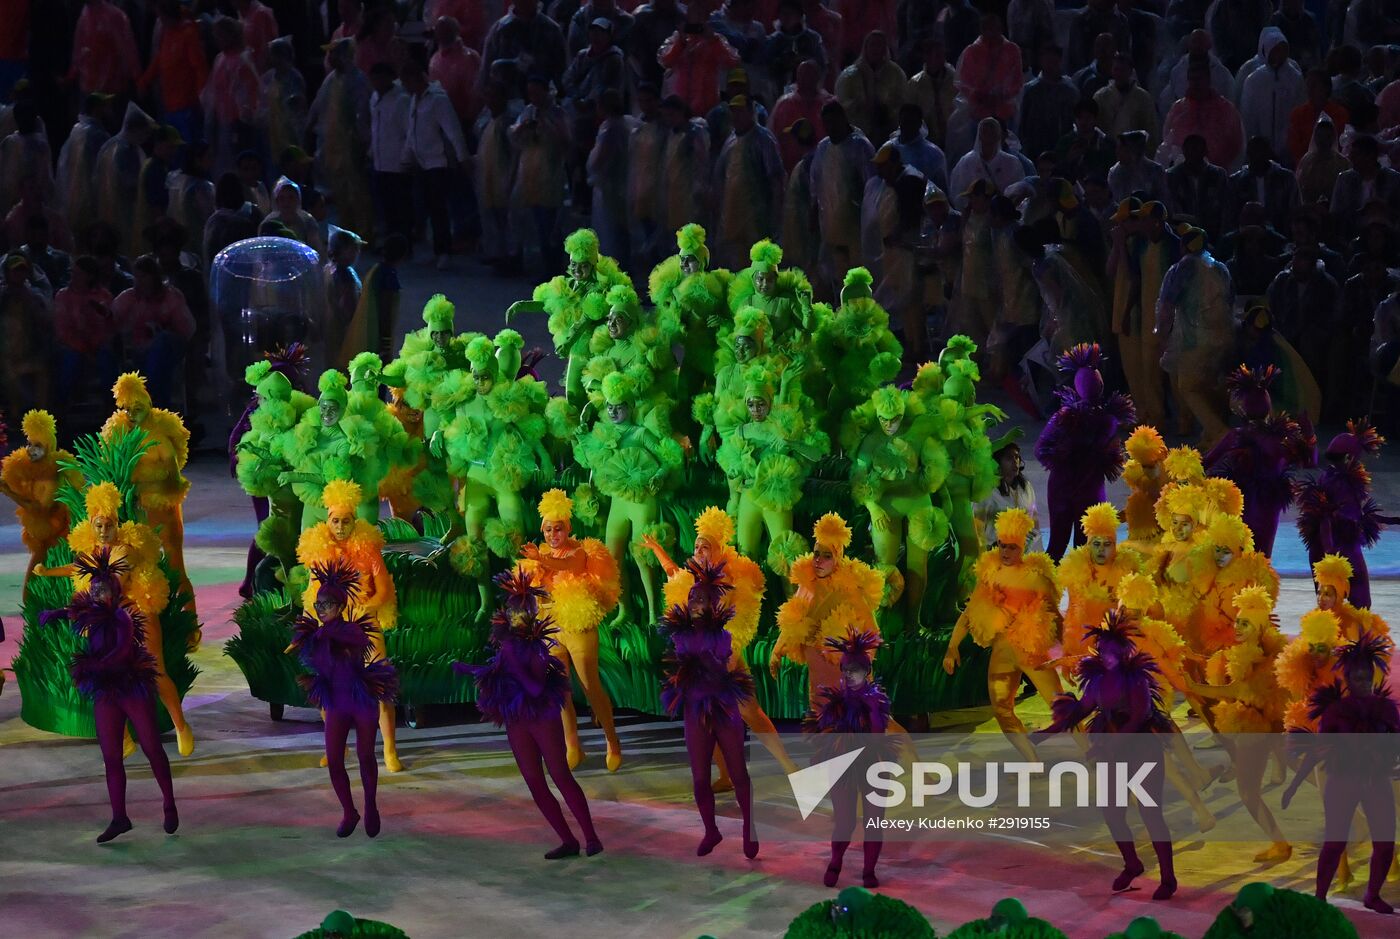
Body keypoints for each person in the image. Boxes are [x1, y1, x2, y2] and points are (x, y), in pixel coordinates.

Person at [456, 570, 603, 859]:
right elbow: (499, 672)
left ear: (532, 614)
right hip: (517, 719)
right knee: (534, 782)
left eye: (521, 611)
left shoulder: (537, 648)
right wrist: (470, 669)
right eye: (512, 611)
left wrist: (514, 661)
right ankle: (568, 840)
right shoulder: (507, 645)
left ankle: (591, 837)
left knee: (560, 775)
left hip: (542, 716)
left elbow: (535, 688)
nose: (515, 616)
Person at [40, 549, 179, 844]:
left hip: (131, 687)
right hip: (106, 690)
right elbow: (72, 611)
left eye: (102, 591)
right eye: (94, 591)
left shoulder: (122, 617)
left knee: (152, 747)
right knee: (111, 756)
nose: (96, 596)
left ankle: (168, 803)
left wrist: (97, 665)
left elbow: (121, 651)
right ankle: (119, 817)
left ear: (114, 593)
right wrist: (54, 614)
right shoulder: (90, 612)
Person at [1038, 609, 1178, 900]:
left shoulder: (1136, 679)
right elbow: (1081, 709)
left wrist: (1112, 743)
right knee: (1112, 812)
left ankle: (1168, 878)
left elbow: (1140, 715)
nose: (1107, 655)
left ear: (1124, 651)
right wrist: (1046, 733)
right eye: (1103, 650)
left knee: (1150, 812)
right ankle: (1132, 863)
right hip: (1114, 752)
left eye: (1112, 650)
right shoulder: (1098, 681)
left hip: (1142, 750)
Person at [1280, 632, 1398, 913]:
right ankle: (1320, 897)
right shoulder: (1335, 712)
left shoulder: (1386, 709)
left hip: (1376, 781)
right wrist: (1294, 785)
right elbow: (1316, 751)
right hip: (1343, 781)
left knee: (1385, 844)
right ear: (1347, 680)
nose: (1364, 684)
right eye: (1358, 679)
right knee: (1335, 843)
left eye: (1368, 678)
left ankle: (1372, 895)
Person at [295, 479, 403, 772]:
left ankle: (390, 749)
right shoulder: (320, 552)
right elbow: (314, 594)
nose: (340, 527)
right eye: (335, 521)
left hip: (363, 623)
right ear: (327, 521)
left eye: (346, 521)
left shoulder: (368, 549)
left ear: (355, 521)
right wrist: (315, 624)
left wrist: (366, 608)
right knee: (326, 687)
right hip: (333, 626)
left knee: (380, 684)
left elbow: (384, 590)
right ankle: (336, 746)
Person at [943, 508, 1063, 761]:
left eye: (1012, 547)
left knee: (1063, 708)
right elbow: (969, 613)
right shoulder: (990, 574)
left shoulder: (1035, 580)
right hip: (1002, 655)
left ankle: (1094, 759)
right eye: (1002, 546)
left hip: (1031, 655)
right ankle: (1032, 762)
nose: (1006, 552)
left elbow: (1057, 620)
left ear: (1022, 547)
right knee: (1002, 710)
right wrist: (952, 647)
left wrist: (1070, 654)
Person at [288, 561, 397, 838]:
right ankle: (350, 811)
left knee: (365, 755)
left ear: (340, 606)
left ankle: (370, 805)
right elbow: (317, 660)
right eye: (318, 604)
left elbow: (345, 645)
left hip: (361, 701)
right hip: (336, 703)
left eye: (327, 605)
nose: (321, 609)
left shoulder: (353, 631)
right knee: (334, 760)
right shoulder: (318, 635)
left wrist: (314, 634)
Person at [517, 489, 623, 771]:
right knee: (560, 689)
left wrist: (541, 560)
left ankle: (612, 740)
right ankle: (572, 744)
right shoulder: (538, 556)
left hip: (578, 627)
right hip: (551, 628)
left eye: (559, 528)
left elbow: (568, 565)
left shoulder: (579, 552)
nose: (553, 535)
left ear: (568, 528)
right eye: (548, 529)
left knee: (590, 686)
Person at [659, 560, 758, 860]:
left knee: (738, 773)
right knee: (700, 778)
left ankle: (749, 826)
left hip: (723, 708)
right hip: (695, 711)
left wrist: (701, 660)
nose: (694, 603)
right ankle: (711, 830)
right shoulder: (679, 636)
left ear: (713, 605)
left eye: (701, 599)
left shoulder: (722, 636)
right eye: (691, 598)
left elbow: (717, 669)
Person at [805, 629, 894, 889]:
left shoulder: (877, 700)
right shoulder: (835, 702)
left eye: (854, 670)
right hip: (843, 763)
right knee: (844, 821)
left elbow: (877, 734)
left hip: (872, 761)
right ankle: (835, 862)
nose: (848, 674)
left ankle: (869, 870)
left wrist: (871, 708)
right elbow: (824, 734)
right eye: (844, 669)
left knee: (874, 821)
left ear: (867, 671)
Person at [1035, 345, 1136, 560]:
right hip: (1089, 487)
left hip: (1063, 486)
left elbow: (1040, 450)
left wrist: (1064, 454)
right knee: (1086, 549)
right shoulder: (1108, 419)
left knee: (1058, 546)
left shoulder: (1065, 417)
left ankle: (1049, 579)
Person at [771, 513, 884, 705]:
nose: (818, 560)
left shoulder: (848, 588)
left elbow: (871, 630)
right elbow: (793, 618)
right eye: (816, 554)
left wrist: (862, 664)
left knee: (855, 714)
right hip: (816, 670)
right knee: (821, 709)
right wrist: (777, 651)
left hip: (842, 668)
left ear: (837, 558)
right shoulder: (807, 584)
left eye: (827, 556)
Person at [1156, 227, 1234, 448]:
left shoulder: (1181, 269)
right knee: (1210, 385)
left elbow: (1166, 306)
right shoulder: (1220, 268)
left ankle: (1219, 432)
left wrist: (1162, 336)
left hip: (1196, 339)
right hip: (1224, 337)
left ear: (1183, 246)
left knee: (1188, 386)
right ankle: (1209, 436)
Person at [0, 410, 80, 594]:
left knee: (34, 592)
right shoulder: (30, 467)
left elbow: (41, 509)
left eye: (38, 445)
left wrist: (9, 492)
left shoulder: (52, 474)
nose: (31, 449)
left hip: (56, 539)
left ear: (49, 447)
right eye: (29, 444)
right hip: (43, 538)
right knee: (38, 591)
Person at [400, 58, 468, 271]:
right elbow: (411, 132)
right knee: (428, 206)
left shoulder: (438, 99)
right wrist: (406, 157)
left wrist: (462, 157)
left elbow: (453, 130)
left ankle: (444, 251)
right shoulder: (415, 100)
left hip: (438, 161)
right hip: (422, 163)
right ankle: (438, 249)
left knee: (439, 208)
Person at [308, 39, 373, 248]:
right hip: (334, 146)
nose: (330, 58)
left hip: (352, 145)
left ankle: (364, 233)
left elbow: (362, 113)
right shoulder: (331, 79)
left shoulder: (358, 80)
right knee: (341, 193)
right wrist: (310, 125)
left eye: (334, 54)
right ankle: (348, 232)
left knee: (358, 192)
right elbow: (318, 105)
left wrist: (363, 142)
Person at [713, 95, 784, 270]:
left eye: (740, 111)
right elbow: (721, 176)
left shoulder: (764, 139)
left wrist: (776, 213)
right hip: (732, 216)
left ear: (750, 112)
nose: (736, 116)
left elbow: (775, 178)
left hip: (757, 218)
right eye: (734, 112)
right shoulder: (730, 140)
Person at [510, 76, 571, 273]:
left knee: (550, 222)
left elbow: (566, 141)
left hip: (551, 172)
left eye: (537, 93)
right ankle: (543, 263)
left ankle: (554, 266)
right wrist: (524, 128)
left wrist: (548, 126)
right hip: (530, 171)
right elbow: (514, 137)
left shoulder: (558, 113)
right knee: (536, 221)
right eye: (531, 93)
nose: (534, 97)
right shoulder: (528, 112)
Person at [810, 100, 874, 288]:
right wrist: (813, 211)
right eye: (826, 123)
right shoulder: (823, 148)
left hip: (856, 227)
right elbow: (815, 183)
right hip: (832, 227)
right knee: (839, 278)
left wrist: (870, 220)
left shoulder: (861, 146)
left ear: (843, 119)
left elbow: (872, 185)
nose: (831, 127)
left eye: (834, 122)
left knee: (859, 277)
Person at [139, 0, 209, 144]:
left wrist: (202, 98)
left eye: (161, 16)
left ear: (168, 15)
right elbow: (160, 58)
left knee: (188, 145)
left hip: (186, 104)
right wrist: (144, 81)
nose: (159, 19)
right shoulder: (168, 32)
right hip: (170, 103)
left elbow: (200, 68)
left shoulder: (188, 34)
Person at [200, 16, 260, 179]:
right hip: (221, 121)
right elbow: (212, 91)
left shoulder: (241, 61)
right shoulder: (220, 58)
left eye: (220, 35)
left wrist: (243, 118)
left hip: (236, 123)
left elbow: (249, 94)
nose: (217, 40)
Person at [1161, 61, 1247, 169]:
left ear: (1208, 79)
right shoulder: (1177, 109)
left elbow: (1238, 145)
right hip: (1185, 173)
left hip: (1220, 173)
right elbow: (1167, 142)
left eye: (1199, 79)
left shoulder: (1226, 110)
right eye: (1192, 79)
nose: (1195, 83)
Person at [658, 7, 741, 117]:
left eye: (700, 17)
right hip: (680, 104)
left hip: (707, 104)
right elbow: (665, 61)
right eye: (692, 16)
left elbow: (732, 62)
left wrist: (713, 41)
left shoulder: (715, 39)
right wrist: (680, 43)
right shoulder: (678, 38)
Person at [1239, 30, 1304, 164]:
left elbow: (1298, 112)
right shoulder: (1254, 80)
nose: (1278, 55)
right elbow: (1248, 115)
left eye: (1282, 50)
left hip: (1288, 149)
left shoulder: (1295, 78)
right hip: (1259, 148)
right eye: (1275, 50)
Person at [483, 0, 567, 99]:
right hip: (506, 101)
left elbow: (561, 74)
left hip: (541, 101)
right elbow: (485, 73)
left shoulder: (551, 30)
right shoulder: (499, 29)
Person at [835, 32, 906, 147]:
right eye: (872, 44)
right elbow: (841, 103)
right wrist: (860, 104)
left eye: (879, 45)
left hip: (888, 133)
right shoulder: (849, 75)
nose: (876, 49)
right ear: (865, 48)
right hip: (856, 134)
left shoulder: (896, 73)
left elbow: (902, 101)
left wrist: (888, 111)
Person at [954, 13, 1023, 126]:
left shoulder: (1012, 50)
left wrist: (1003, 95)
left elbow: (1018, 80)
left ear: (1001, 29)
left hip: (1005, 112)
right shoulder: (971, 51)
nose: (992, 33)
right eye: (988, 29)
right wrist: (978, 95)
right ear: (982, 30)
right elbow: (963, 82)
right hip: (979, 112)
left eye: (995, 28)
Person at [1227, 136, 1301, 236]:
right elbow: (1230, 216)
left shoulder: (1286, 178)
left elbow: (1295, 211)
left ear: (1269, 153)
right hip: (1244, 239)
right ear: (1248, 154)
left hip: (1281, 236)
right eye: (1254, 152)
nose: (1258, 156)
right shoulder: (1236, 182)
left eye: (1261, 151)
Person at [1017, 44, 1079, 164]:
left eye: (1054, 62)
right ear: (1041, 61)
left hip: (1062, 148)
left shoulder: (1071, 92)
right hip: (1035, 148)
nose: (1051, 66)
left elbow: (1075, 122)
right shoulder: (1030, 90)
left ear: (1060, 62)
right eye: (1047, 61)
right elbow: (1022, 125)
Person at [973, 440, 1040, 551]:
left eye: (1017, 457)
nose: (1015, 461)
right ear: (998, 462)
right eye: (1009, 458)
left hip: (1023, 550)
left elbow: (1034, 520)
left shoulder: (1026, 487)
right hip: (996, 551)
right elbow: (977, 527)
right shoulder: (987, 491)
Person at [769, 59, 833, 172]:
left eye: (810, 74)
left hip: (823, 169)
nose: (806, 78)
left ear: (817, 77)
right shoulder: (784, 104)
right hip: (790, 169)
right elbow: (772, 138)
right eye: (803, 74)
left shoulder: (829, 104)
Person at [947, 117, 1026, 210]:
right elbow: (957, 192)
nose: (989, 135)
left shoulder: (1011, 163)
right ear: (979, 135)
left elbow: (1019, 192)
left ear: (999, 135)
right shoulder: (966, 162)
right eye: (985, 131)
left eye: (992, 131)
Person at [70, 0, 140, 97]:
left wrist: (138, 79)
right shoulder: (85, 15)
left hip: (110, 87)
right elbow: (78, 51)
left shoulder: (113, 16)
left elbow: (128, 52)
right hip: (91, 86)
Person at [1095, 52, 1161, 154]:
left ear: (1130, 71)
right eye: (1116, 69)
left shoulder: (1143, 98)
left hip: (1134, 154)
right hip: (1107, 152)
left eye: (1123, 70)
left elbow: (1151, 131)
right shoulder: (1101, 97)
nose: (1119, 74)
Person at [1286, 69, 1349, 165]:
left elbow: (1343, 144)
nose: (1309, 89)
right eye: (1308, 85)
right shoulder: (1297, 114)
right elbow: (1294, 147)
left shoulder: (1340, 113)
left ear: (1326, 88)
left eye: (1314, 85)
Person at [762, 0, 826, 93]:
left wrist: (804, 61)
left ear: (799, 16)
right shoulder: (773, 40)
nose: (786, 17)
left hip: (808, 90)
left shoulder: (812, 38)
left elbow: (821, 64)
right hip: (778, 89)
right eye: (783, 14)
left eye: (790, 14)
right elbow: (765, 66)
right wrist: (783, 62)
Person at [430, 16, 482, 129]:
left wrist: (469, 119)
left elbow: (476, 92)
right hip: (442, 119)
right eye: (438, 29)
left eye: (445, 29)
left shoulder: (469, 57)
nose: (440, 33)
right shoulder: (435, 58)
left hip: (464, 121)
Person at [906, 38, 956, 153]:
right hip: (927, 138)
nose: (937, 59)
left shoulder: (955, 80)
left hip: (952, 135)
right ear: (925, 57)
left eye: (940, 55)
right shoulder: (915, 83)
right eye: (934, 55)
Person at [1293, 114, 1350, 208]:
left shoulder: (1343, 163)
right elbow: (1299, 191)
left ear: (1333, 137)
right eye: (1320, 136)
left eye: (1327, 136)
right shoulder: (1307, 161)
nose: (1323, 140)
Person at [1109, 130, 1169, 204]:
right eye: (1117, 148)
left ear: (1133, 150)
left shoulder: (1155, 170)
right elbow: (1114, 200)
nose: (1117, 152)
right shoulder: (1115, 172)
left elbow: (1164, 200)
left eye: (1121, 148)